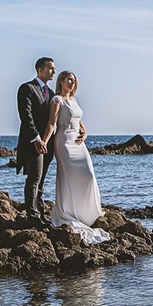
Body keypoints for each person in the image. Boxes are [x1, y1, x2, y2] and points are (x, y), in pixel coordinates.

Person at [40, 71, 111, 244]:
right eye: (69, 80)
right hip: (63, 142)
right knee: (68, 178)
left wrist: (85, 132)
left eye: (74, 80)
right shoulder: (57, 100)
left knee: (88, 176)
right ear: (61, 81)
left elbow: (78, 119)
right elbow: (52, 123)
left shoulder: (74, 100)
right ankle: (68, 213)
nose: (72, 83)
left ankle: (87, 213)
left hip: (78, 143)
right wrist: (43, 141)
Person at [17, 57, 57, 227]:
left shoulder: (52, 94)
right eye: (50, 68)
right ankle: (32, 217)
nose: (53, 71)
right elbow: (26, 117)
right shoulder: (27, 88)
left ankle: (40, 214)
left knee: (41, 180)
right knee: (34, 178)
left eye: (54, 68)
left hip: (48, 144)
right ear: (40, 70)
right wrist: (36, 139)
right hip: (32, 142)